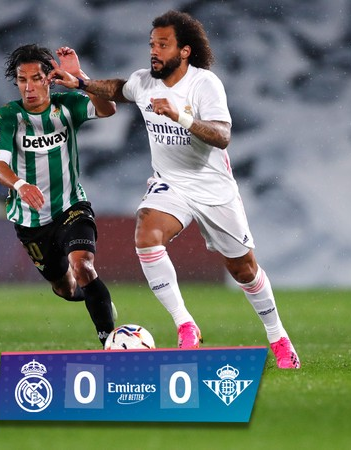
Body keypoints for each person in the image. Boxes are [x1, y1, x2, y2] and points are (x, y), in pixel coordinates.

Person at [50, 11, 301, 368]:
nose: (154, 51)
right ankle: (185, 324)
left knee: (244, 270)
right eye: (152, 44)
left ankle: (278, 337)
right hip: (171, 183)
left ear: (184, 51)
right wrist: (81, 81)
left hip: (213, 189)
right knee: (146, 236)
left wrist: (180, 116)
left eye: (163, 45)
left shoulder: (205, 84)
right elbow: (118, 89)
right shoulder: (145, 82)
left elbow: (223, 136)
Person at [0, 44, 117, 347]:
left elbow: (108, 109)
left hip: (71, 206)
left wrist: (81, 79)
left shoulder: (67, 105)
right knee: (65, 288)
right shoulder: (7, 116)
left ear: (49, 79)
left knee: (83, 266)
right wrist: (20, 185)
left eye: (36, 79)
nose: (28, 87)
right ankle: (95, 297)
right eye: (22, 80)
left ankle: (111, 343)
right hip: (31, 221)